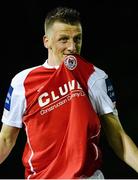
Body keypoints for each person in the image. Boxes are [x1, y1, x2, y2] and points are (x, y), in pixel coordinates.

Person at [0, 6, 138, 179]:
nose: (72, 47)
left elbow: (118, 137)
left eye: (77, 39)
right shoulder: (22, 82)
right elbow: (6, 140)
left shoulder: (95, 77)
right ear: (46, 41)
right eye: (64, 40)